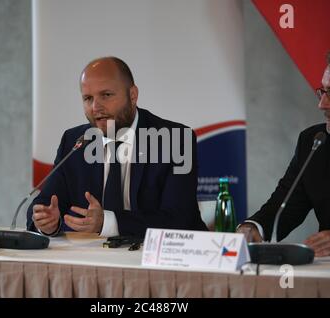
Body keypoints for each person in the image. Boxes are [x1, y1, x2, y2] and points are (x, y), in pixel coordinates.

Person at [27, 57, 207, 238]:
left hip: (163, 259)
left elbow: (178, 220)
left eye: (106, 95)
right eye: (88, 98)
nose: (96, 107)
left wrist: (108, 222)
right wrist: (48, 222)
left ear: (133, 96)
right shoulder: (75, 141)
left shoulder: (174, 140)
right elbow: (44, 205)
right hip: (95, 260)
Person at [237, 44, 330, 257]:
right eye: (323, 91)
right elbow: (283, 207)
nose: (322, 104)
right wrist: (253, 227)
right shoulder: (315, 142)